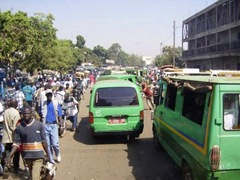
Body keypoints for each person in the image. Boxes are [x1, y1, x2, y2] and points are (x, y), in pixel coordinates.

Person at [7, 106, 50, 180]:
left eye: (27, 113)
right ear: (22, 114)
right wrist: (10, 156)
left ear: (31, 114)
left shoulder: (39, 125)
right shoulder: (19, 128)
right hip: (27, 157)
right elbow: (16, 143)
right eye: (24, 114)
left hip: (38, 157)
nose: (26, 115)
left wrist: (48, 154)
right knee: (31, 176)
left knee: (34, 177)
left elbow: (44, 141)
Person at [41, 89, 62, 164]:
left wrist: (61, 125)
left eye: (50, 94)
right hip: (46, 125)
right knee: (48, 144)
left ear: (52, 95)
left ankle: (58, 154)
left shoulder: (56, 103)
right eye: (48, 94)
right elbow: (41, 114)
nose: (49, 96)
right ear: (46, 95)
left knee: (55, 143)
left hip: (54, 125)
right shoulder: (43, 104)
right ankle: (51, 158)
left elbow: (59, 114)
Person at [2, 99, 21, 173]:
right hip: (13, 136)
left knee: (7, 150)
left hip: (6, 135)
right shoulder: (16, 113)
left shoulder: (6, 111)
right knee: (16, 152)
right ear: (16, 104)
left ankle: (6, 165)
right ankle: (15, 167)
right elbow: (16, 126)